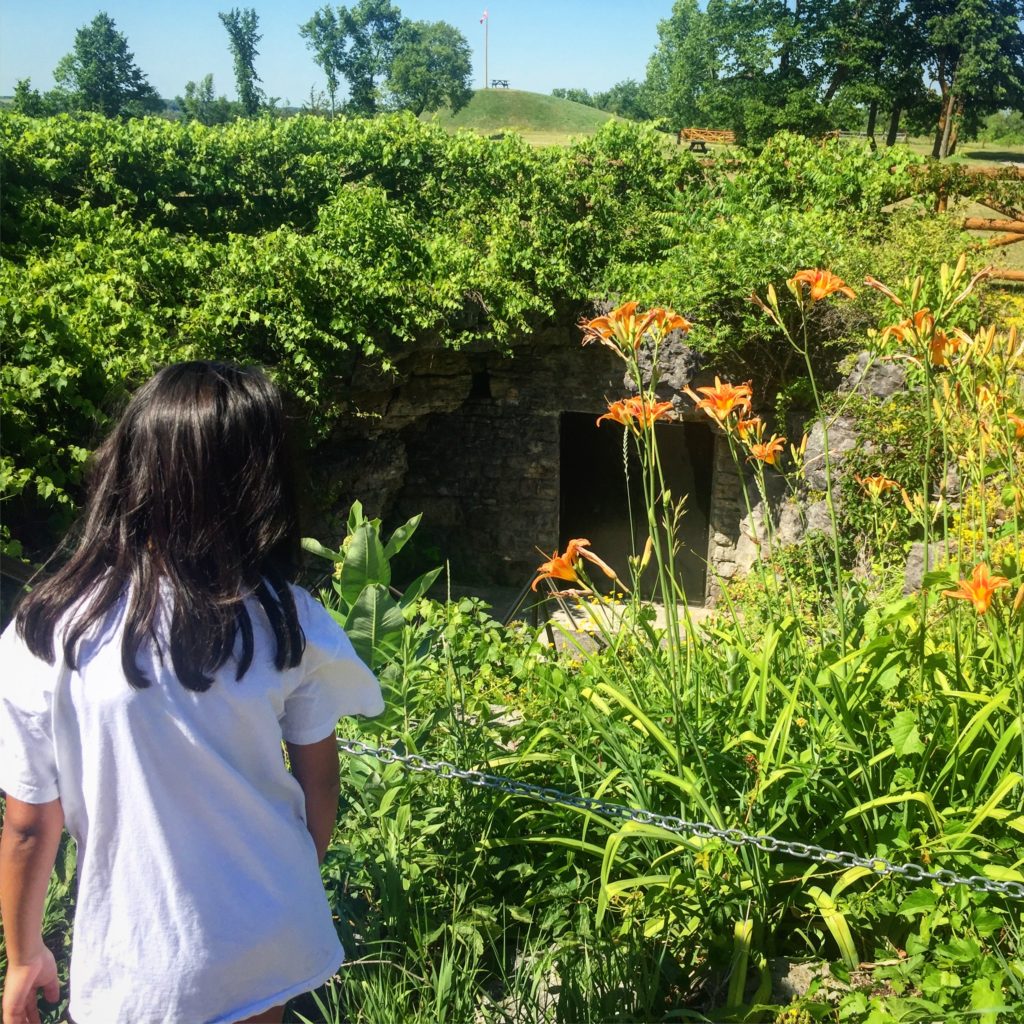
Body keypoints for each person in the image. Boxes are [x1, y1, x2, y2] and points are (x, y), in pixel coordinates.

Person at [0, 362, 385, 1024]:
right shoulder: (286, 619)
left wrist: (24, 954)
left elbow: (31, 825)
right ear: (259, 483)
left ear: (128, 469)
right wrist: (282, 886)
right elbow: (320, 784)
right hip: (269, 936)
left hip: (140, 957)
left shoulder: (48, 632)